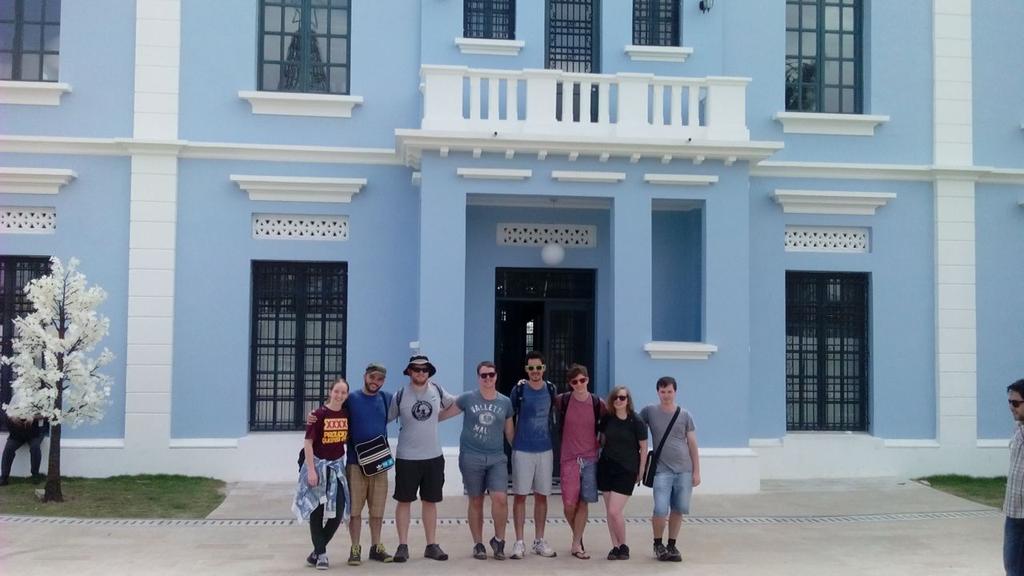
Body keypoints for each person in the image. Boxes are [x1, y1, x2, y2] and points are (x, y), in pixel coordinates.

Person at [440, 361, 514, 560]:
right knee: (476, 500)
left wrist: (518, 453)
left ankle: (499, 541)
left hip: (497, 457)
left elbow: (509, 432)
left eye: (491, 374)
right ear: (478, 377)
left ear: (496, 376)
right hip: (471, 456)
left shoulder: (505, 402)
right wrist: (420, 421)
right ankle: (478, 543)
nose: (488, 378)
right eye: (484, 375)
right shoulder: (467, 398)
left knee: (500, 498)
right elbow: (444, 415)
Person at [388, 354, 456, 562]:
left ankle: (431, 545)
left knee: (430, 501)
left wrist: (438, 419)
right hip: (407, 457)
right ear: (409, 371)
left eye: (424, 369)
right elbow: (384, 417)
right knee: (404, 501)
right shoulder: (399, 395)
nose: (420, 373)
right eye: (416, 369)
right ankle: (402, 545)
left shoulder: (437, 390)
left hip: (433, 456)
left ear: (429, 372)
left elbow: (456, 405)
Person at [293, 378, 351, 570]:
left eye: (343, 392)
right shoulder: (318, 415)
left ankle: (317, 550)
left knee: (338, 512)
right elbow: (308, 443)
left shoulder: (346, 413)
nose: (339, 395)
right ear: (330, 391)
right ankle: (322, 555)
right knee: (317, 511)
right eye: (337, 391)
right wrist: (311, 470)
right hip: (317, 467)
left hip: (336, 470)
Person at [639, 376, 700, 563]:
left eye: (669, 391)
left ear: (675, 392)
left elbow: (692, 444)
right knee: (659, 509)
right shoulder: (649, 411)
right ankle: (658, 543)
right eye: (663, 391)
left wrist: (696, 471)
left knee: (679, 508)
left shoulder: (684, 415)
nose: (666, 395)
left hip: (684, 469)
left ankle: (672, 544)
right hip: (661, 470)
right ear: (658, 392)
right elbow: (635, 428)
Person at [508, 351, 559, 559]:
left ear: (544, 368)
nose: (535, 372)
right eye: (531, 368)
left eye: (538, 368)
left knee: (542, 496)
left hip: (545, 449)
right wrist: (514, 444)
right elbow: (509, 417)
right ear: (526, 370)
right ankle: (519, 542)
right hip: (522, 450)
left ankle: (539, 540)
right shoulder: (519, 390)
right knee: (520, 496)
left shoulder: (551, 389)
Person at [344, 363, 395, 565]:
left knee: (378, 509)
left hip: (380, 462)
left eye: (380, 379)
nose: (375, 382)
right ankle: (355, 548)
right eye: (372, 377)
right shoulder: (352, 398)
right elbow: (331, 410)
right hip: (355, 463)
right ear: (365, 376)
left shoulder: (386, 399)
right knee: (355, 510)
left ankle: (376, 546)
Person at [556, 364, 607, 559]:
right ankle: (578, 535)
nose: (579, 384)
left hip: (590, 458)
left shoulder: (597, 402)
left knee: (584, 502)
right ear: (570, 383)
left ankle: (576, 543)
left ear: (588, 379)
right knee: (569, 504)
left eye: (582, 380)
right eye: (574, 381)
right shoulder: (563, 400)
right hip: (568, 458)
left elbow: (611, 420)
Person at [597, 385, 648, 560]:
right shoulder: (607, 419)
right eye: (616, 398)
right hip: (606, 467)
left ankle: (624, 545)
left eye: (622, 398)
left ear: (628, 400)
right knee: (609, 511)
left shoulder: (636, 421)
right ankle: (615, 546)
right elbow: (602, 440)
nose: (619, 400)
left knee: (614, 510)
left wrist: (641, 470)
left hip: (626, 469)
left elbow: (643, 447)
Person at [1004, 379, 1024, 576]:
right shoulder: (1018, 429)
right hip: (1013, 512)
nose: (1011, 407)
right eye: (1009, 402)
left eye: (1016, 403)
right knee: (1012, 566)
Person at [0, 414, 47, 486]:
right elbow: (8, 413)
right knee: (8, 449)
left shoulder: (40, 402)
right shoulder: (15, 402)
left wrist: (32, 417)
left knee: (35, 447)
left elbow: (46, 415)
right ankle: (4, 477)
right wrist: (13, 417)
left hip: (35, 433)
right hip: (17, 433)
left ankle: (35, 475)